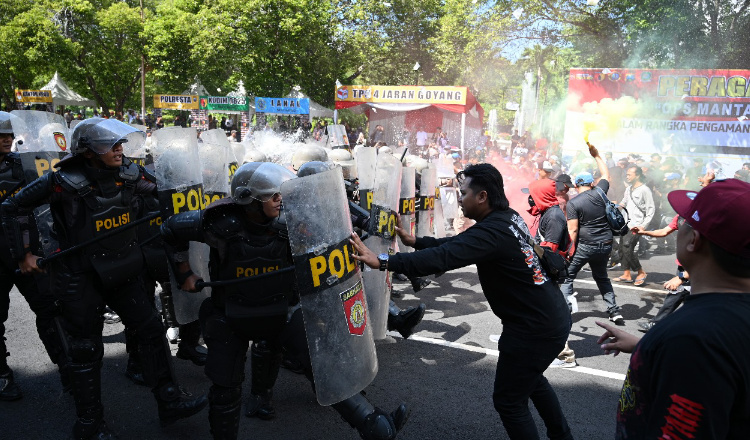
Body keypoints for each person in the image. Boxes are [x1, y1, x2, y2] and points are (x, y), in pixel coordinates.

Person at [162, 162, 408, 440]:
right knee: (225, 389)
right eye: (274, 195)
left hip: (283, 311)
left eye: (282, 194)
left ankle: (375, 426)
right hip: (229, 314)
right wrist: (185, 273)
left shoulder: (294, 222)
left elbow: (330, 241)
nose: (282, 200)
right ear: (249, 199)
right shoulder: (218, 222)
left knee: (323, 368)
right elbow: (170, 230)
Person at [1, 118, 207, 439]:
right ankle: (90, 424)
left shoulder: (130, 173)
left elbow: (166, 192)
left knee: (152, 332)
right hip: (81, 277)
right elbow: (11, 207)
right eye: (110, 145)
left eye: (120, 144)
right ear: (88, 151)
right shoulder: (62, 182)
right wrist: (25, 253)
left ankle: (169, 401)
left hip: (126, 269)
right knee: (86, 349)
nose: (119, 150)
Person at [351, 163, 573, 440]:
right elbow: (456, 246)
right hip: (548, 318)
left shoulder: (491, 231)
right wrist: (415, 240)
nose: (459, 197)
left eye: (464, 192)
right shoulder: (505, 218)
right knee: (531, 381)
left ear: (482, 197)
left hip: (534, 329)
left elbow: (444, 258)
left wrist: (383, 261)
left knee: (509, 402)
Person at [597, 178, 750, 439]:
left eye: (685, 222)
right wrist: (648, 346)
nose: (679, 226)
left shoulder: (694, 338)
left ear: (694, 240)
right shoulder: (716, 326)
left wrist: (674, 346)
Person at [0, 112, 67, 400]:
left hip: (27, 253)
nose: (5, 139)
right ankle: (2, 375)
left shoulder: (23, 165)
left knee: (51, 311)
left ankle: (69, 370)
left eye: (7, 134)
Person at [561, 143, 625, 325]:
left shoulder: (574, 203)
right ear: (591, 183)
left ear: (576, 184)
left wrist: (567, 251)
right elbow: (606, 175)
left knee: (567, 277)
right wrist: (596, 155)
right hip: (605, 243)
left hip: (585, 245)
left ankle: (564, 314)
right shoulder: (600, 192)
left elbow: (572, 230)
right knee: (602, 277)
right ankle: (614, 312)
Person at [525, 178, 576, 368]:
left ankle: (565, 354)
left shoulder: (553, 217)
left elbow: (549, 251)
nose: (529, 199)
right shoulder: (548, 212)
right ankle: (525, 340)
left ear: (541, 195)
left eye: (532, 195)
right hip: (547, 270)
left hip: (551, 271)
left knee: (549, 313)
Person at [613, 166, 655, 286]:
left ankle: (641, 272)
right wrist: (613, 207)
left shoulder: (645, 190)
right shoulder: (629, 189)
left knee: (627, 247)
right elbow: (624, 202)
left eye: (629, 174)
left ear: (637, 175)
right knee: (622, 248)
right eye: (626, 174)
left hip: (636, 225)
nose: (627, 176)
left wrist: (644, 225)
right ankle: (626, 274)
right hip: (626, 224)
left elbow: (651, 209)